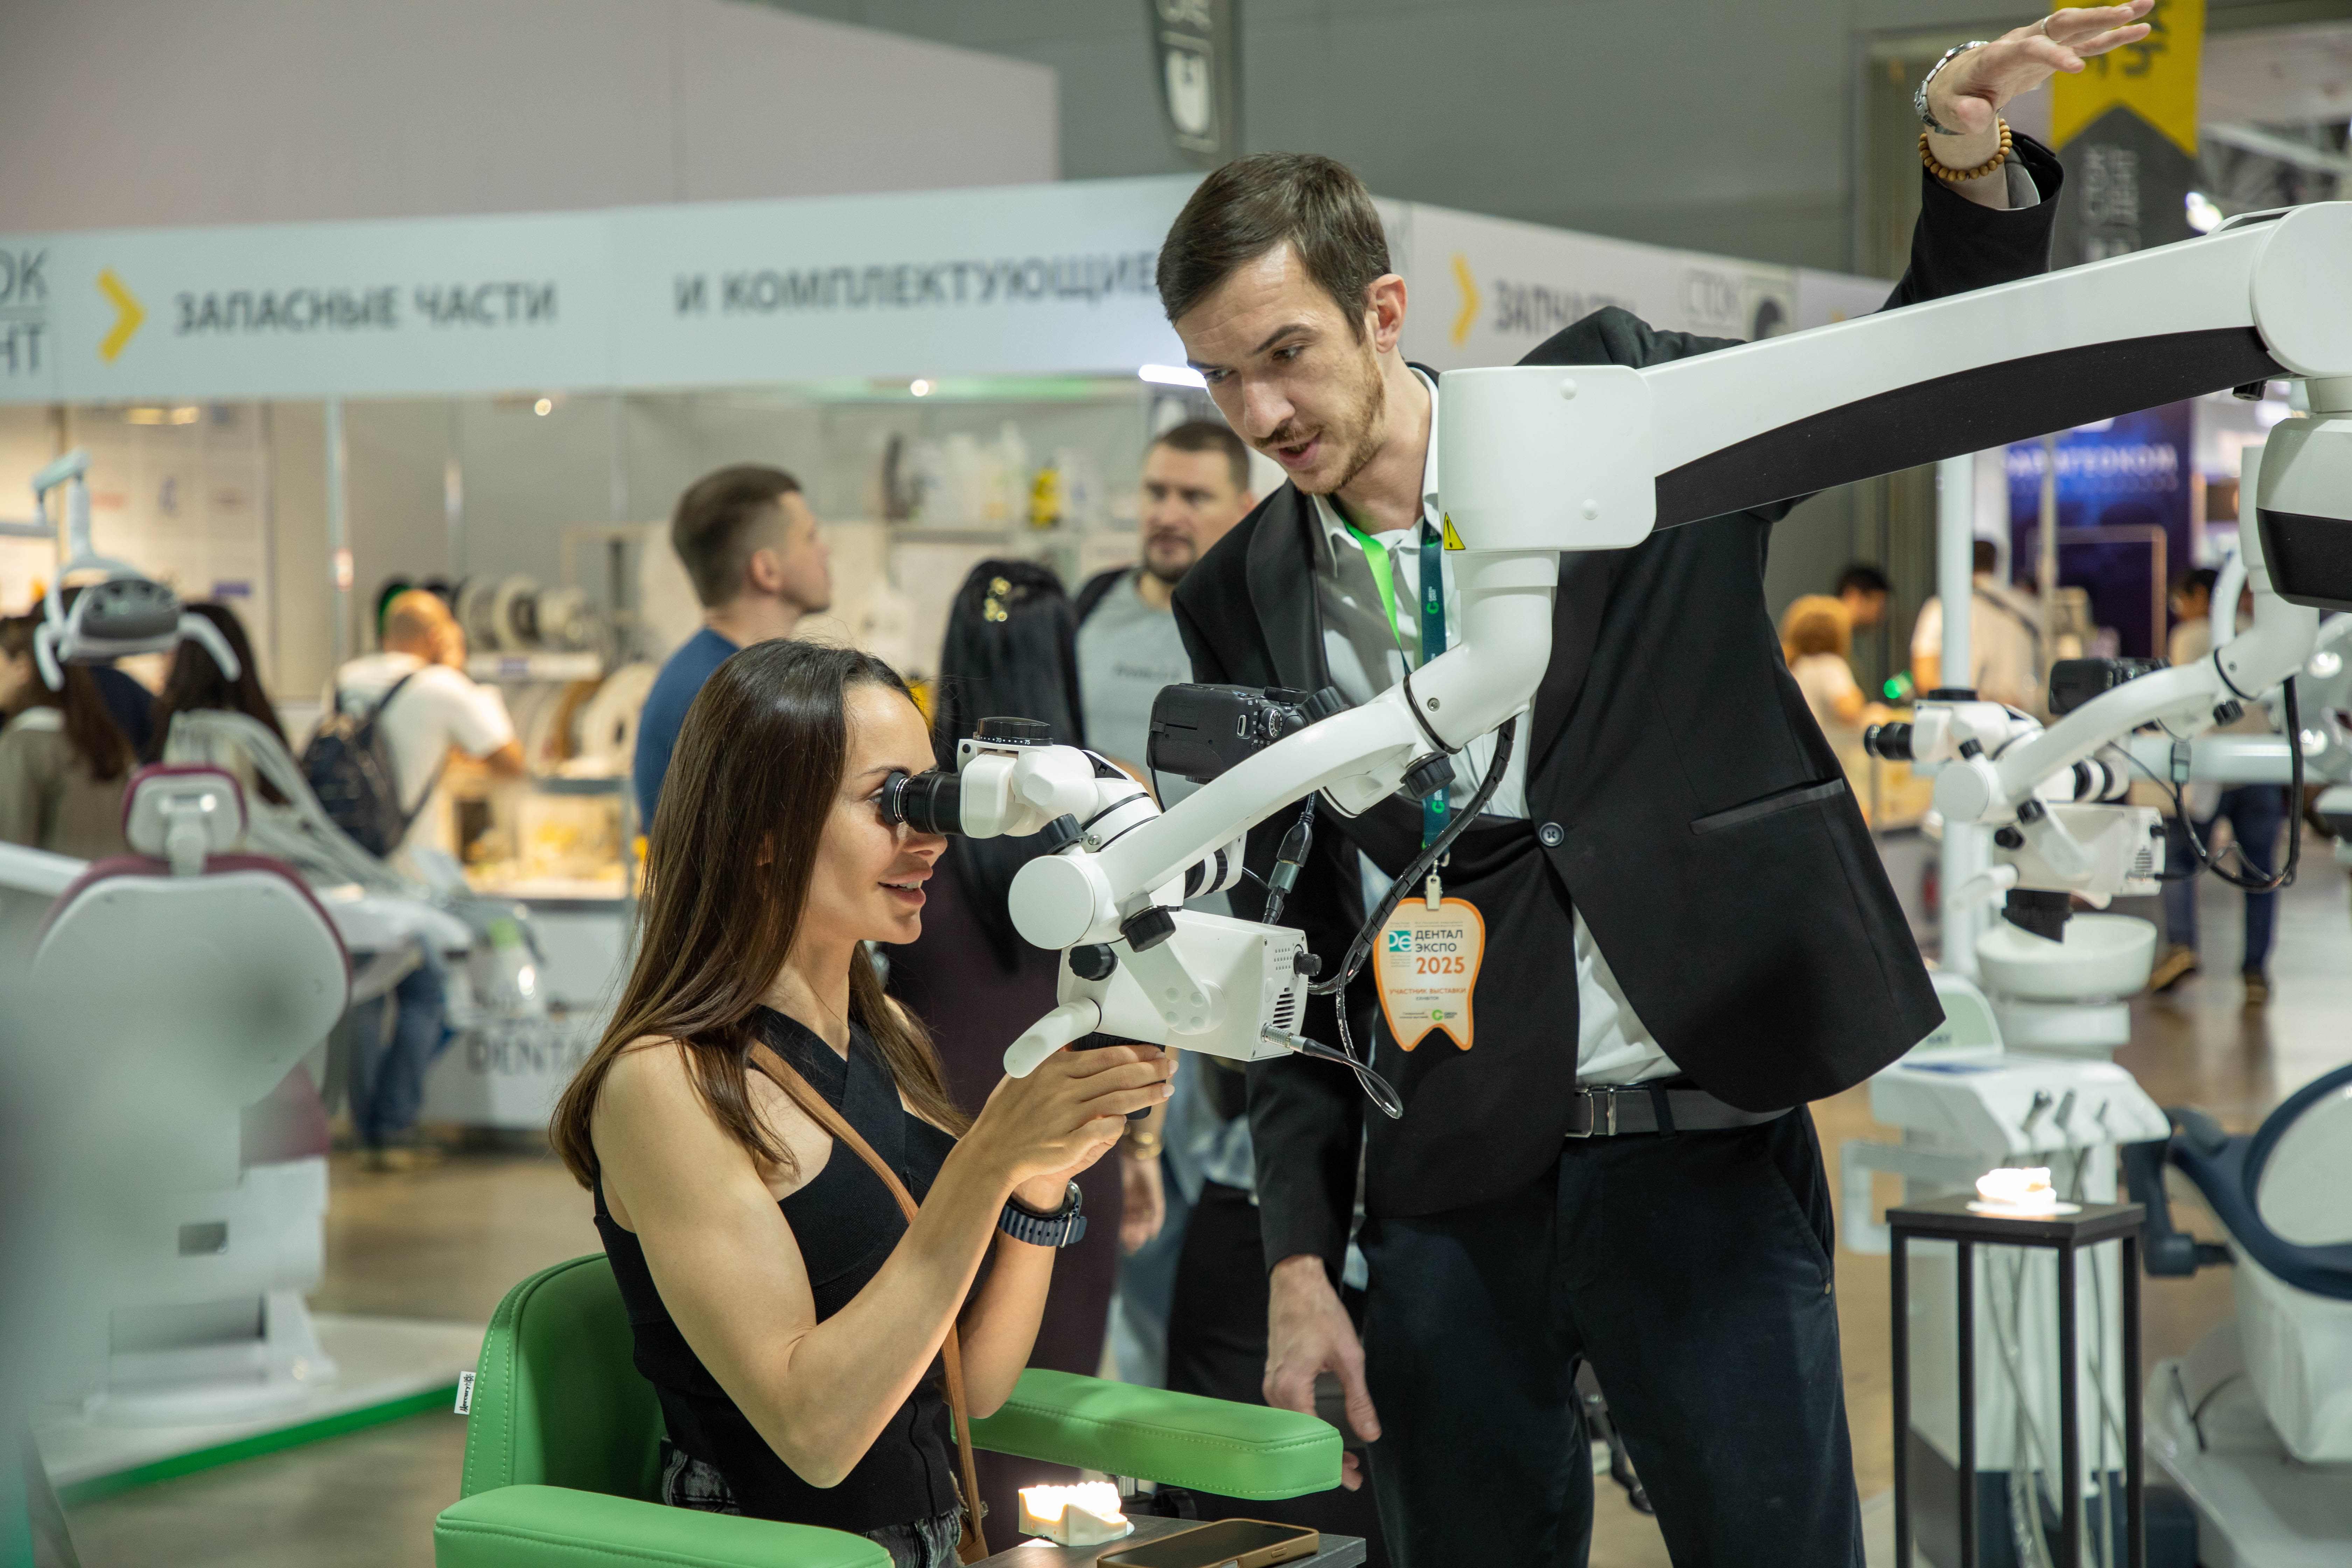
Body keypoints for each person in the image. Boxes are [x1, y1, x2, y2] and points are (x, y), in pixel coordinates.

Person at [1158, 12, 2144, 1563]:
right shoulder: (1239, 592)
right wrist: (1297, 1252)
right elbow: (1290, 945)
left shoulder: (1609, 409)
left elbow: (1889, 382)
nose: (1260, 415)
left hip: (1699, 1141)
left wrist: (1961, 160)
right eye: (1220, 377)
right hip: (1444, 1183)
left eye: (1283, 355)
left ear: (1381, 311)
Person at [550, 639, 1174, 1568]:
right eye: (891, 801)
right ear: (765, 830)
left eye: (932, 797)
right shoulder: (667, 1085)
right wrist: (986, 1160)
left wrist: (1043, 1178)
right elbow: (816, 1432)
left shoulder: (888, 1040)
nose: (930, 837)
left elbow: (971, 1387)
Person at [883, 559, 1141, 1540]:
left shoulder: (914, 817)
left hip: (925, 1149)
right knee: (1041, 1434)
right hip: (1070, 1148)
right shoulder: (1113, 810)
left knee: (935, 1424)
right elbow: (1144, 999)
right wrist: (1142, 1143)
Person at [327, 588, 523, 1165]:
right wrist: (456, 668)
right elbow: (511, 762)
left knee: (364, 999)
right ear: (437, 635)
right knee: (430, 994)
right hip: (413, 877)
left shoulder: (345, 680)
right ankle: (393, 1125)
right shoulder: (442, 686)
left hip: (348, 869)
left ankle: (367, 1128)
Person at [632, 465, 833, 832]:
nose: (826, 551)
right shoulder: (730, 696)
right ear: (767, 570)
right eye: (811, 537)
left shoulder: (707, 673)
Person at [1073, 421, 1258, 783]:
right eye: (1156, 493)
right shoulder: (1089, 602)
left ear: (1246, 510)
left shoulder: (1262, 626)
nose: (1167, 517)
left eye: (1194, 497)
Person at [2150, 567, 2285, 1001]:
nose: (2179, 611)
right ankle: (2255, 970)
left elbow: (2182, 703)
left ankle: (2182, 947)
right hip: (2259, 768)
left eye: (2181, 600)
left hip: (2209, 768)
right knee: (2260, 873)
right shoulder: (2257, 636)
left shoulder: (2190, 637)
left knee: (2178, 862)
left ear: (2199, 595)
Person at [0, 614, 133, 860]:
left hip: (51, 886)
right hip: (108, 882)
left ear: (22, 668)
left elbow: (11, 853)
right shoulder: (108, 740)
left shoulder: (22, 745)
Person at [149, 602, 293, 804]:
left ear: (191, 656)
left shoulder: (203, 739)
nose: (162, 659)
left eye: (169, 649)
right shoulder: (252, 729)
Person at [1909, 538, 2044, 711]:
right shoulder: (2030, 608)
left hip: (1967, 717)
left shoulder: (1942, 608)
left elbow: (1925, 678)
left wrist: (1982, 701)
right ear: (1995, 564)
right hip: (2024, 718)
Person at [1834, 562, 1892, 634]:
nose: (1883, 615)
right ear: (1854, 595)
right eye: (1879, 603)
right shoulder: (1828, 631)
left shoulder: (1838, 631)